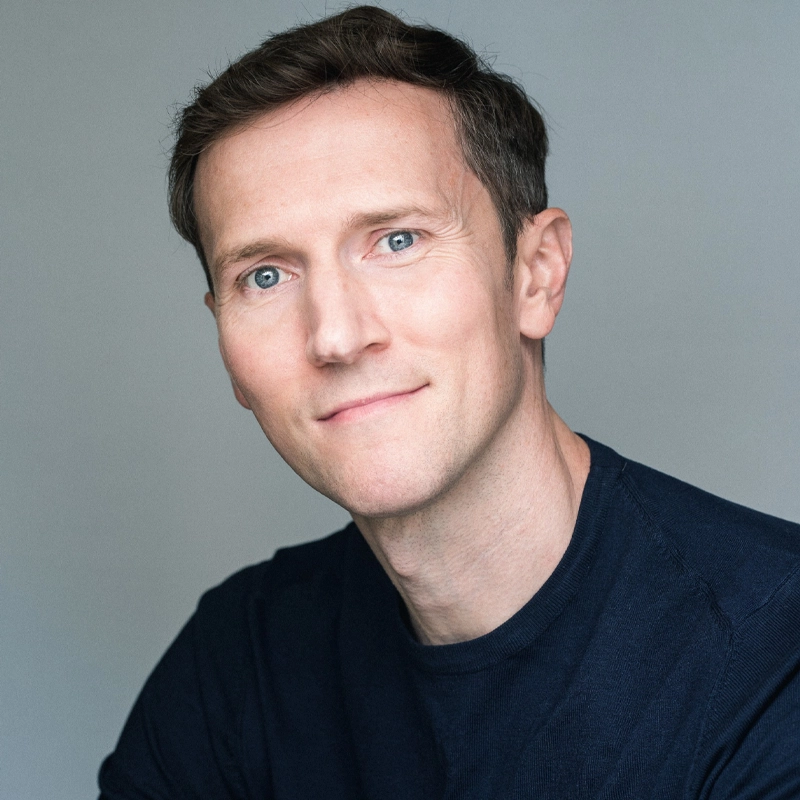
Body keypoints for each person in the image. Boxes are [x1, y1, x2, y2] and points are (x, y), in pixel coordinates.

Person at [99, 7, 800, 798]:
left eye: (397, 240)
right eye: (265, 275)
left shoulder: (774, 655)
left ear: (535, 274)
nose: (336, 336)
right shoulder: (240, 663)